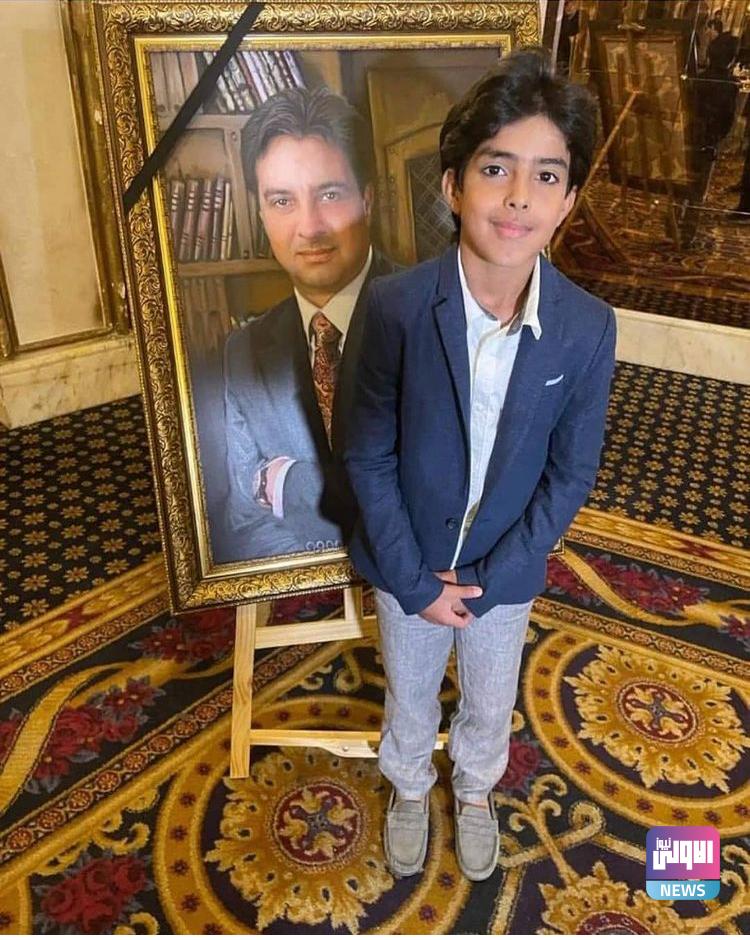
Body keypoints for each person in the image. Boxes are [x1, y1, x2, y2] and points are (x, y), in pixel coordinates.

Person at [344, 48, 616, 881]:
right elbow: (365, 452)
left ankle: (472, 790)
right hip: (409, 564)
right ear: (454, 186)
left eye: (546, 176)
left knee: (492, 697)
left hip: (507, 568)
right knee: (410, 687)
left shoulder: (588, 327)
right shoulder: (393, 307)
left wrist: (498, 575)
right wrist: (414, 581)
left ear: (567, 201)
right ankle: (408, 783)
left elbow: (570, 472)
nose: (518, 196)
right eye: (496, 168)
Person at [217, 85, 397, 563]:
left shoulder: (432, 315)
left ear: (367, 199)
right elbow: (244, 522)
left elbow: (439, 496)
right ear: (260, 214)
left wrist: (284, 483)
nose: (310, 227)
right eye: (282, 201)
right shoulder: (244, 351)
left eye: (329, 194)